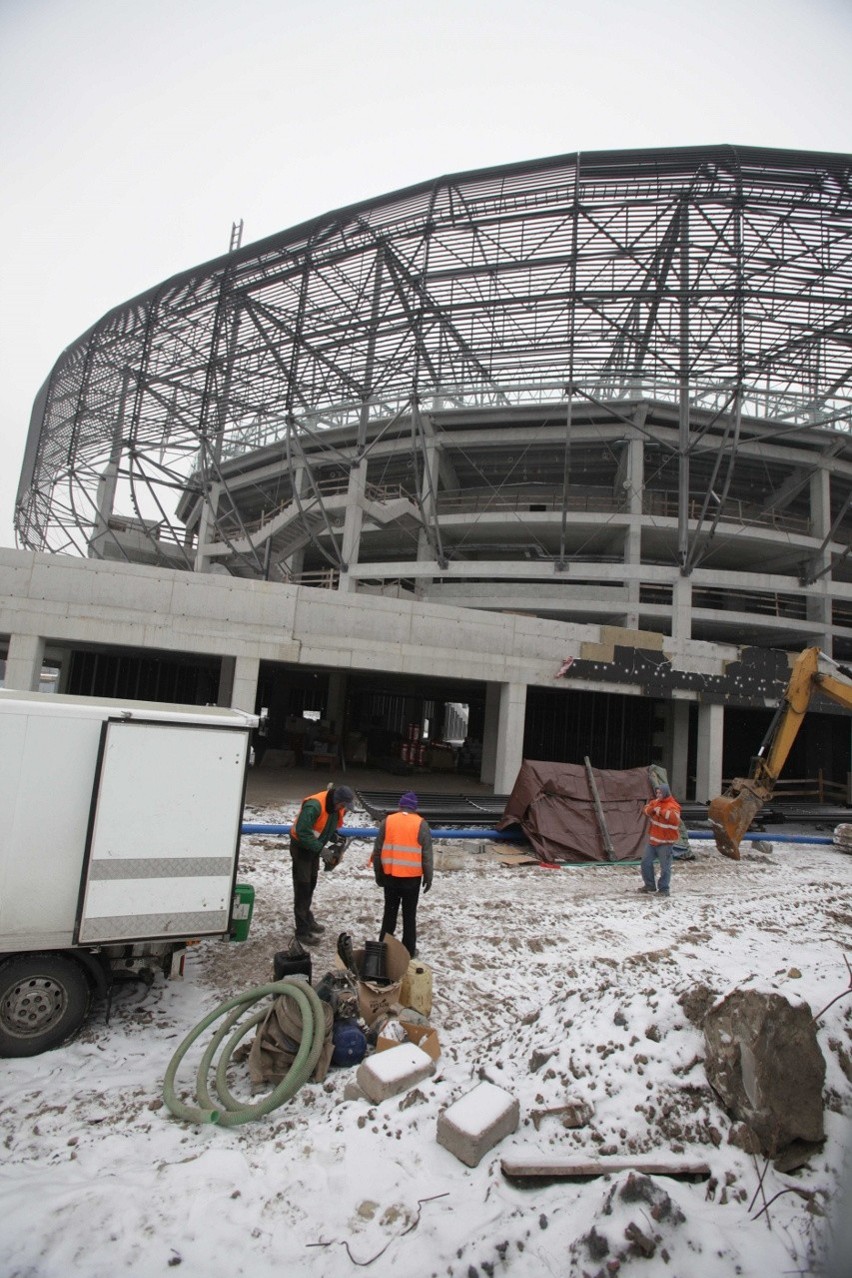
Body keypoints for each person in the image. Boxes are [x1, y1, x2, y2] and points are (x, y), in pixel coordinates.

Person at [371, 790, 433, 958]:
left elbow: (377, 851)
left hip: (390, 876)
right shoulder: (421, 824)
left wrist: (379, 873)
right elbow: (426, 854)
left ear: (400, 806)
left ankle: (383, 948)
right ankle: (409, 950)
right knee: (409, 915)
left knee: (389, 913)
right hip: (411, 880)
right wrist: (428, 877)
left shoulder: (387, 821)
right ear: (415, 808)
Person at [289, 783, 354, 942]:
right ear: (338, 801)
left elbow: (325, 828)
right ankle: (302, 932)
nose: (344, 809)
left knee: (311, 883)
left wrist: (335, 839)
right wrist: (323, 850)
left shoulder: (334, 808)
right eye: (344, 806)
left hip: (313, 848)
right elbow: (302, 832)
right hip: (302, 848)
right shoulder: (314, 806)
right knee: (303, 886)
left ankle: (307, 918)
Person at [639, 782, 681, 897]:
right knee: (645, 863)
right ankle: (650, 885)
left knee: (665, 867)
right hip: (653, 841)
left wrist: (660, 811)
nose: (658, 795)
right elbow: (646, 809)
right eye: (657, 792)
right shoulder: (656, 802)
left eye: (660, 792)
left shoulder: (673, 805)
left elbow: (674, 819)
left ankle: (664, 889)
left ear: (665, 793)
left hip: (665, 843)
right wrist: (652, 809)